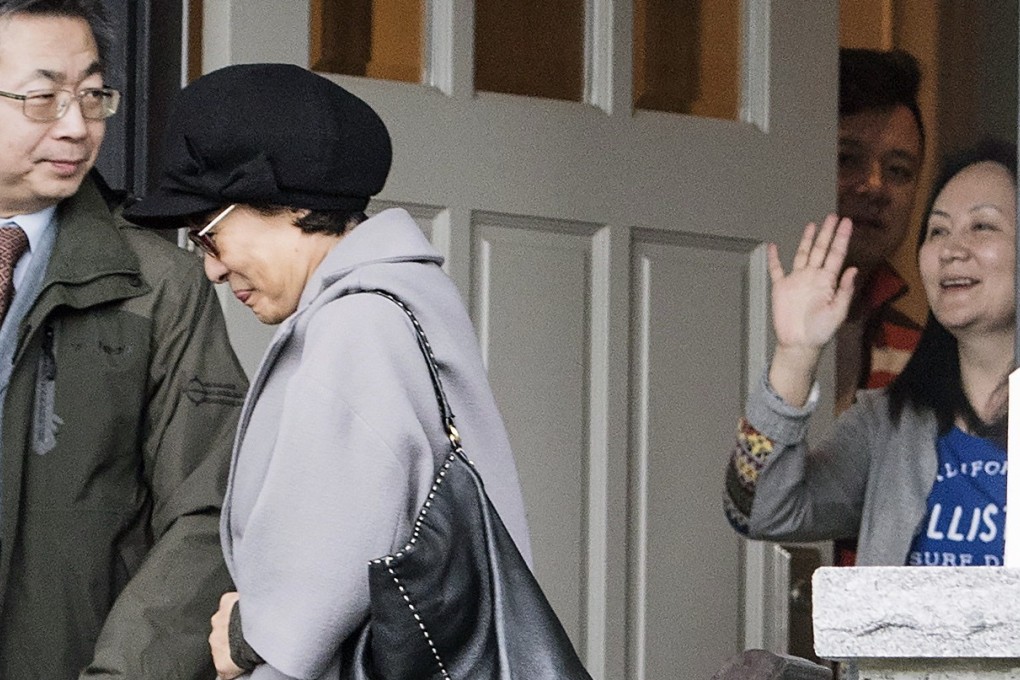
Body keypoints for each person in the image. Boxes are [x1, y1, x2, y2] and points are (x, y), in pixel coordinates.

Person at [124, 63, 533, 679]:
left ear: (287, 204)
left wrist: (247, 635)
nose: (209, 268)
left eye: (207, 235)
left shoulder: (355, 328)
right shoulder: (408, 298)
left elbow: (311, 601)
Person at [0, 1, 248, 678]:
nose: (78, 126)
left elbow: (208, 510)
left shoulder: (160, 287)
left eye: (92, 96)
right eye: (44, 98)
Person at [723, 139, 1015, 567]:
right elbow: (755, 510)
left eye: (982, 227)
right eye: (937, 231)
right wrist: (796, 354)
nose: (952, 249)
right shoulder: (888, 425)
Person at [835, 47, 926, 414]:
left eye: (898, 170)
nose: (875, 186)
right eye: (846, 159)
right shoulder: (743, 318)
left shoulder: (919, 358)